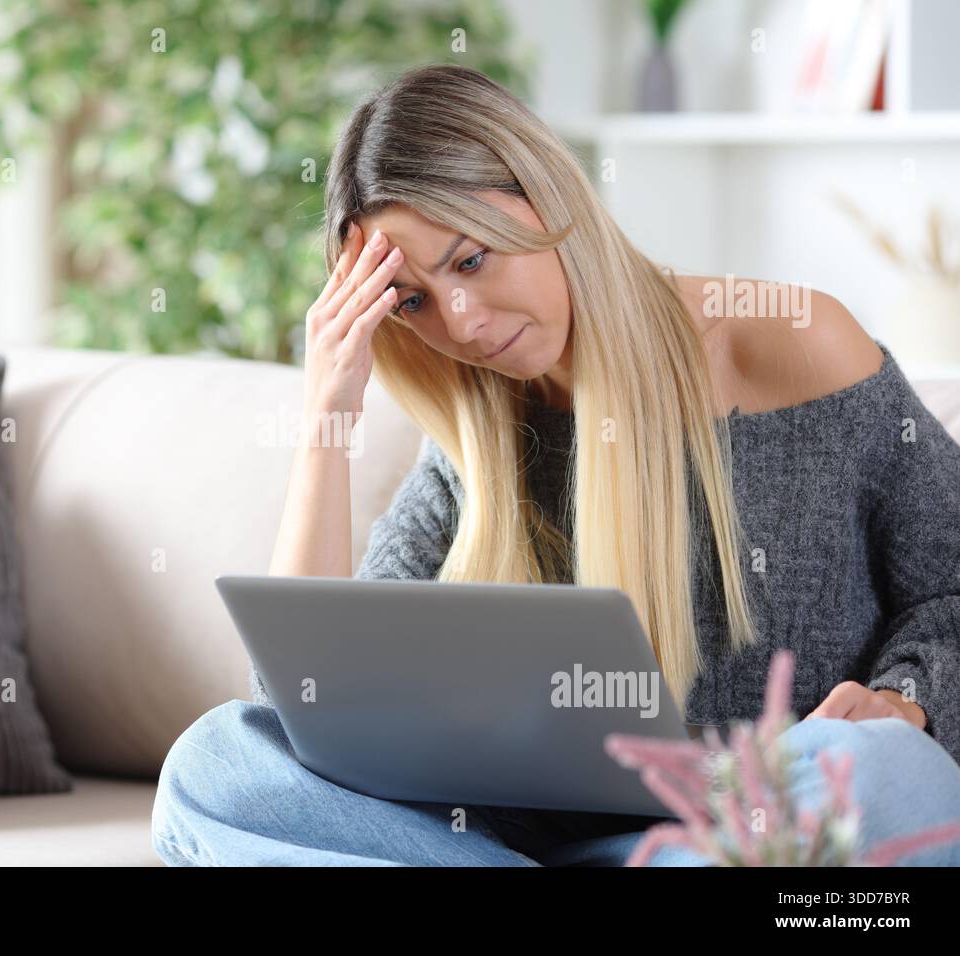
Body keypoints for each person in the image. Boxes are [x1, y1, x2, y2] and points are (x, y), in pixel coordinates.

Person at [152, 64, 960, 866]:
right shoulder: (474, 433)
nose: (460, 324)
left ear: (550, 198)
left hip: (751, 824)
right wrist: (326, 417)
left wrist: (902, 703)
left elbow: (950, 584)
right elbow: (308, 708)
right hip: (533, 842)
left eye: (469, 261)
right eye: (412, 302)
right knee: (213, 766)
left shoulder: (791, 343)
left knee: (881, 775)